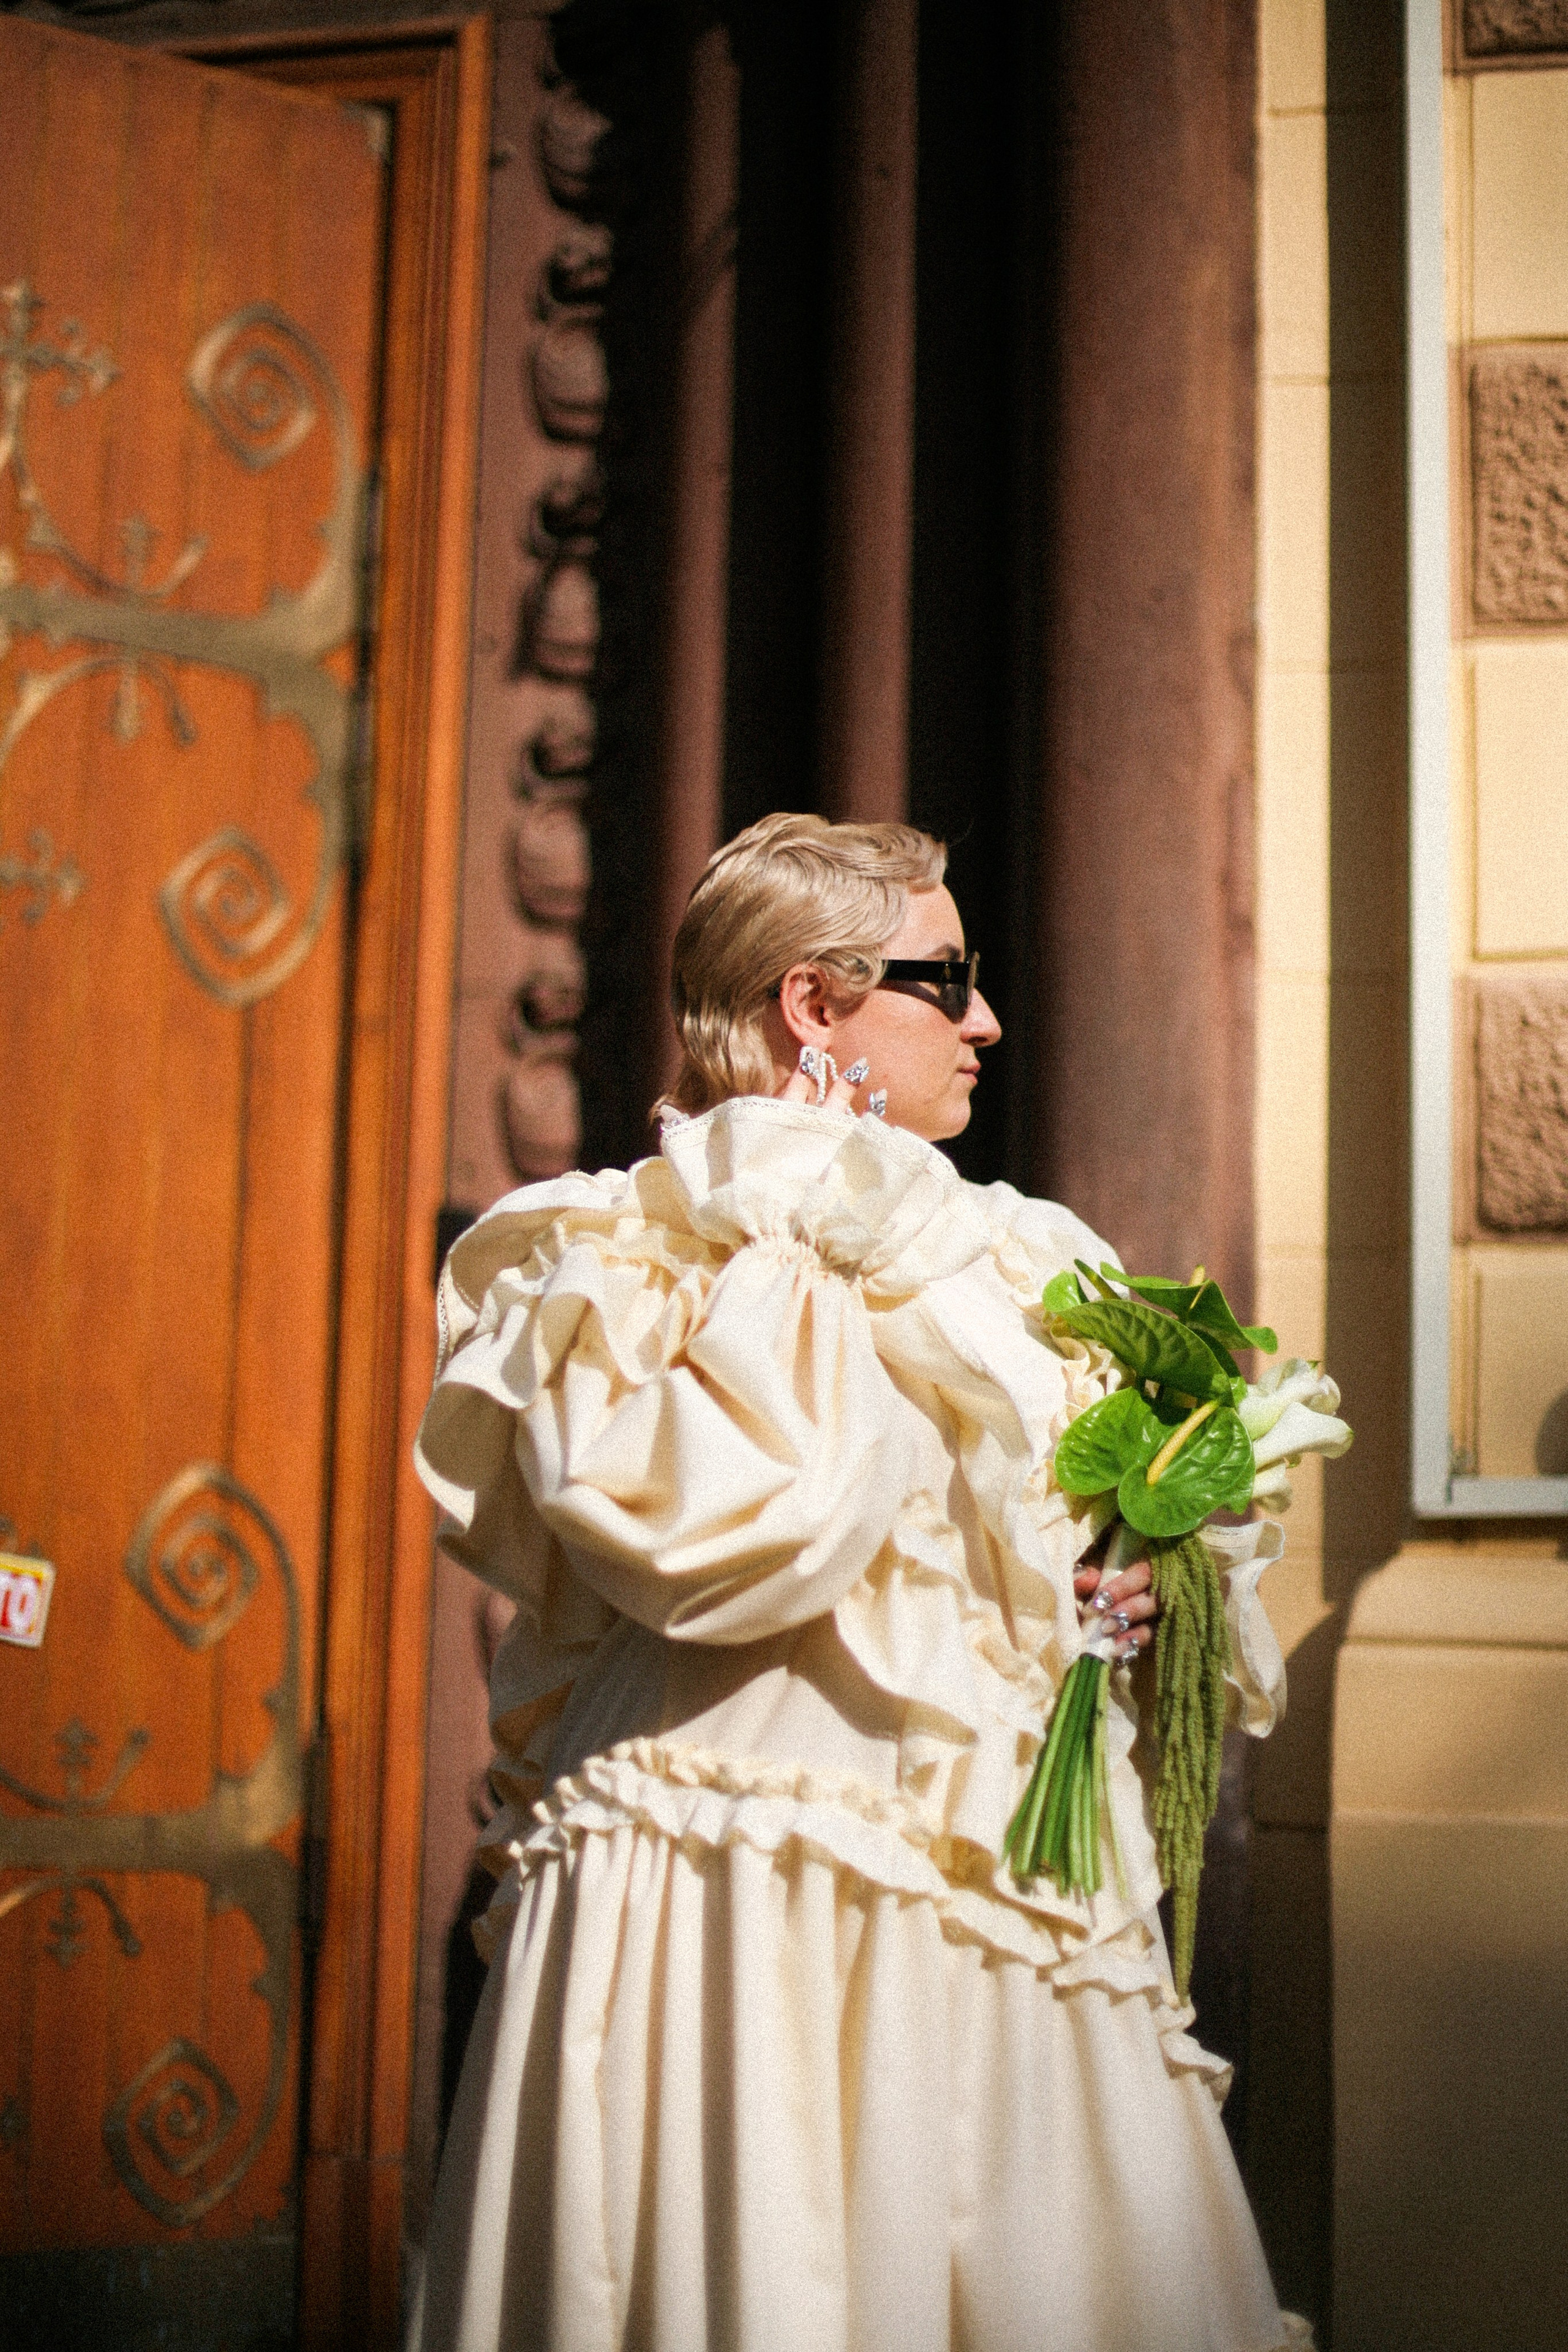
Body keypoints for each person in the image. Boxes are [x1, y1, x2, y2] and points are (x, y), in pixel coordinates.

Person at [411, 813, 1310, 2352]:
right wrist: (798, 1210)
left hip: (999, 1883)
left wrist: (1137, 1576)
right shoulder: (632, 1251)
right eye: (943, 978)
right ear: (810, 1005)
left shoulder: (1020, 1257)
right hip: (738, 1897)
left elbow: (1037, 1557)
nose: (984, 1020)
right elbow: (744, 1528)